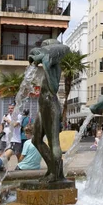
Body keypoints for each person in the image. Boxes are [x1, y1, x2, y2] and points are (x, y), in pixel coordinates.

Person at [28, 39, 70, 182]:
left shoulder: (54, 66)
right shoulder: (49, 64)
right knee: (36, 140)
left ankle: (57, 174)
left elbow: (54, 88)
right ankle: (52, 168)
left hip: (51, 105)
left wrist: (45, 63)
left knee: (54, 142)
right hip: (43, 105)